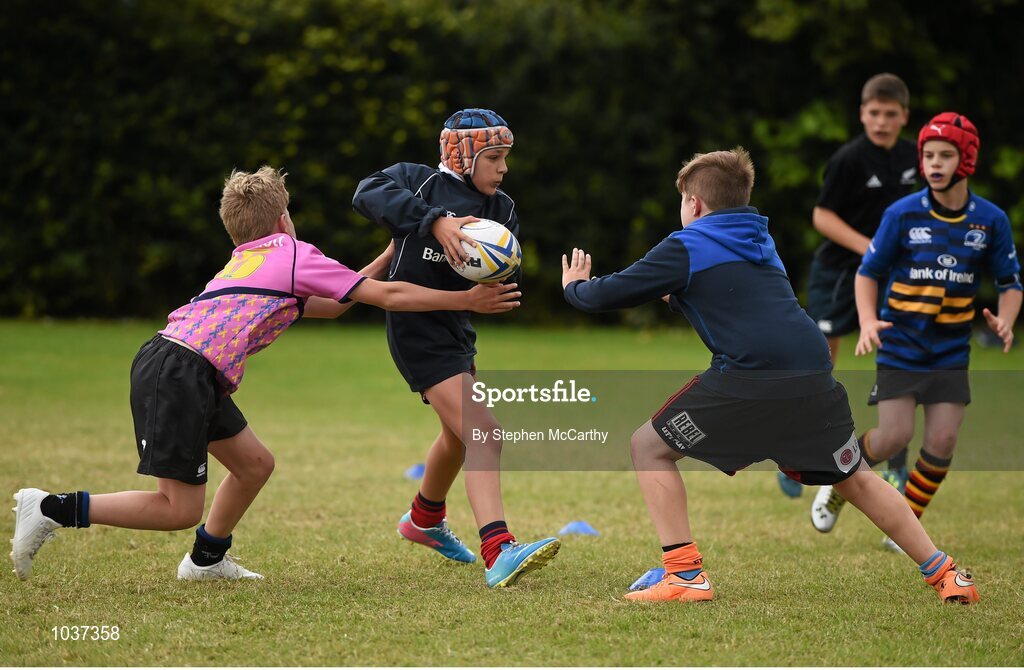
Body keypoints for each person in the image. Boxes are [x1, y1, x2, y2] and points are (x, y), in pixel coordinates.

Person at [10, 166, 521, 582]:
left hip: (185, 366)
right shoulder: (294, 254)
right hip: (179, 372)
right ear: (283, 219)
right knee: (177, 507)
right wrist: (467, 299)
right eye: (292, 214)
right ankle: (52, 507)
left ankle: (206, 560)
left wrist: (388, 255)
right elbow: (385, 298)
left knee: (254, 464)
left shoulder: (249, 260)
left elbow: (331, 307)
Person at [562, 147, 979, 604]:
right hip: (815, 374)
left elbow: (606, 296)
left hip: (750, 378)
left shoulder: (686, 244)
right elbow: (726, 296)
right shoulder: (760, 240)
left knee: (648, 447)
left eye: (682, 202)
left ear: (694, 205)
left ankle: (684, 577)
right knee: (855, 477)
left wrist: (575, 288)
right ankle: (946, 574)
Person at [351, 108, 560, 589]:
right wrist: (437, 223)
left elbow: (507, 273)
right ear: (462, 155)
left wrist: (502, 268)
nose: (503, 168)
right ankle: (498, 549)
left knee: (456, 436)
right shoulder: (419, 184)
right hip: (415, 328)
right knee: (484, 432)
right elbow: (367, 193)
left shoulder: (501, 209)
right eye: (494, 157)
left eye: (506, 157)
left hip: (458, 329)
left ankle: (423, 519)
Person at [809, 112, 1021, 546]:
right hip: (902, 342)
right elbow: (867, 273)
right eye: (927, 155)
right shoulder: (902, 214)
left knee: (942, 440)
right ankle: (838, 483)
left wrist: (1006, 318)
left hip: (950, 349)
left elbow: (1010, 283)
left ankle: (907, 521)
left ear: (967, 160)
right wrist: (867, 321)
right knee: (893, 437)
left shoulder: (990, 221)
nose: (934, 163)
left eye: (945, 155)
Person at [781, 73, 919, 499]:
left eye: (890, 114)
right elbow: (822, 217)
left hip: (895, 277)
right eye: (873, 113)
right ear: (862, 114)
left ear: (904, 117)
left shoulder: (917, 158)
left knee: (900, 359)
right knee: (821, 363)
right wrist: (872, 248)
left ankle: (896, 463)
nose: (881, 121)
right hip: (840, 274)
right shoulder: (848, 160)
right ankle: (796, 452)